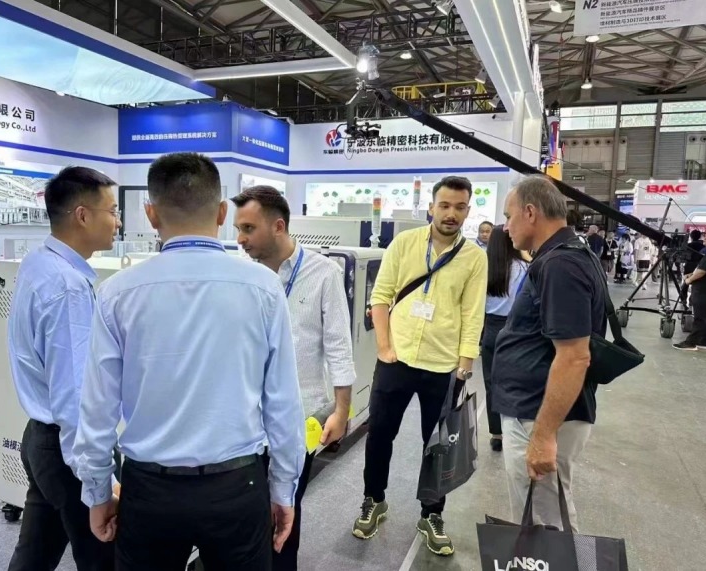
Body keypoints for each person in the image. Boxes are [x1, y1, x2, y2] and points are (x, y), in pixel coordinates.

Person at [73, 153, 305, 571]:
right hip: (238, 484)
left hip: (149, 489)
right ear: (222, 213)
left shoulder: (117, 293)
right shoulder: (264, 288)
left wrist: (97, 492)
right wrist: (283, 489)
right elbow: (283, 403)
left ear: (150, 214)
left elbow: (97, 409)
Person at [352, 175, 487, 556]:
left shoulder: (474, 257)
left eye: (459, 207)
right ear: (431, 207)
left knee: (439, 445)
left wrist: (464, 365)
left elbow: (472, 314)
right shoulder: (405, 243)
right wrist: (384, 348)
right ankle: (374, 499)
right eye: (444, 205)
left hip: (443, 366)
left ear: (467, 210)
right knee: (380, 434)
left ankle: (432, 513)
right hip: (397, 359)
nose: (451, 214)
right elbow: (380, 297)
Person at [232, 185, 355, 570]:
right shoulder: (241, 276)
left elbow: (339, 345)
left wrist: (342, 411)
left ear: (278, 226)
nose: (240, 239)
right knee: (247, 517)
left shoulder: (323, 273)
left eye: (248, 228)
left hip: (300, 419)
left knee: (286, 510)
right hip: (245, 422)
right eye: (238, 229)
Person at [7, 167, 121, 571]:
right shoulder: (68, 287)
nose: (118, 221)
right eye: (112, 210)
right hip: (67, 451)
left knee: (34, 556)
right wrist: (98, 483)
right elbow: (76, 395)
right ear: (82, 216)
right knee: (104, 558)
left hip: (42, 440)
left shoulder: (39, 263)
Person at [492, 175, 605, 532]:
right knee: (542, 516)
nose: (505, 227)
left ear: (530, 213)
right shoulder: (563, 256)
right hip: (534, 409)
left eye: (508, 216)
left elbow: (574, 356)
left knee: (544, 525)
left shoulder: (561, 265)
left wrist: (542, 436)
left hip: (538, 414)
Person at [482, 225, 528, 453]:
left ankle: (496, 434)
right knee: (516, 381)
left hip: (490, 328)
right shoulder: (525, 267)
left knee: (491, 382)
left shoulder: (484, 268)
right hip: (517, 329)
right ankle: (516, 429)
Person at [673, 249, 706, 351]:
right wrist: (691, 274)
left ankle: (691, 343)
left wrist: (689, 280)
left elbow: (701, 271)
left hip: (703, 291)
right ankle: (705, 341)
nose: (704, 240)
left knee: (700, 318)